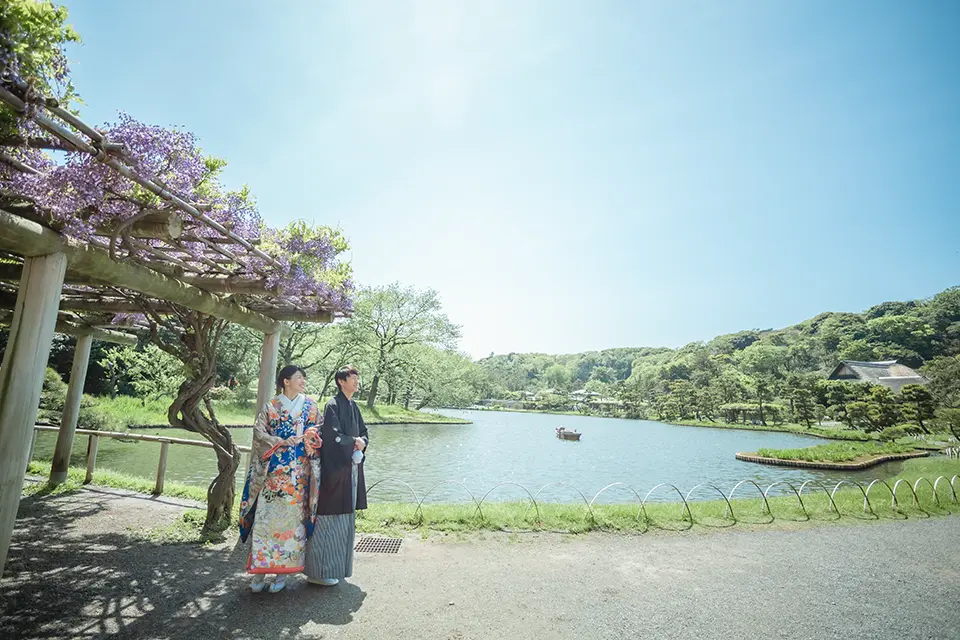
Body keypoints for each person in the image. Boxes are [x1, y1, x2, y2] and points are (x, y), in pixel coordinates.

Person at [238, 365, 322, 593]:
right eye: (298, 377)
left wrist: (312, 436)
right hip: (272, 476)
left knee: (292, 524)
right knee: (266, 522)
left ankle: (282, 573)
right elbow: (258, 434)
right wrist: (280, 441)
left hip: (298, 478)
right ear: (286, 381)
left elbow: (320, 430)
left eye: (303, 378)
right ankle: (260, 570)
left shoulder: (310, 406)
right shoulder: (271, 406)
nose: (303, 381)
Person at [305, 365, 369, 586]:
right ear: (341, 381)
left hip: (350, 469)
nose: (356, 382)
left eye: (357, 378)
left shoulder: (354, 406)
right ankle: (318, 571)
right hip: (335, 472)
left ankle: (335, 569)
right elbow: (332, 438)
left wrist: (362, 443)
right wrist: (355, 443)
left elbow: (364, 432)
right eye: (352, 378)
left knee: (345, 520)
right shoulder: (332, 405)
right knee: (329, 519)